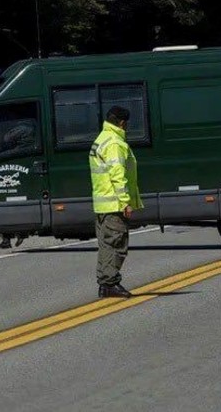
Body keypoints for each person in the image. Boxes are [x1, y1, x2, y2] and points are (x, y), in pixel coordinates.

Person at [89, 105, 143, 298]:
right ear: (122, 123)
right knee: (116, 244)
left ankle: (105, 284)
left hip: (102, 204)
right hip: (114, 204)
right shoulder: (114, 143)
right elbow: (117, 175)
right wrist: (125, 202)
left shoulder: (101, 139)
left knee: (106, 245)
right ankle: (110, 283)